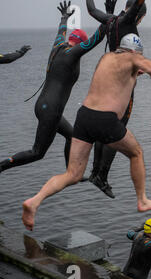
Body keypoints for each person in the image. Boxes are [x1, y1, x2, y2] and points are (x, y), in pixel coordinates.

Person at [21, 34, 151, 231]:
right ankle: (143, 200)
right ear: (134, 52)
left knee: (72, 174)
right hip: (105, 120)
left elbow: (117, 79)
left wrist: (134, 73)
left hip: (84, 116)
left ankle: (34, 201)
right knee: (136, 153)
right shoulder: (132, 58)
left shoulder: (107, 58)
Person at [0, 1, 106, 174]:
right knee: (37, 152)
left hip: (43, 105)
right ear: (79, 44)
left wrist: (64, 17)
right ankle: (2, 166)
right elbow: (97, 38)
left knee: (71, 136)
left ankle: (70, 174)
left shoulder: (58, 46)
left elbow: (61, 31)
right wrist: (108, 17)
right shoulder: (73, 54)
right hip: (51, 109)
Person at [86, 0, 147, 198]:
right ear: (138, 15)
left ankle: (95, 172)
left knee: (103, 125)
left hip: (107, 81)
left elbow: (91, 10)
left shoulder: (111, 20)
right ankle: (101, 176)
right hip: (122, 87)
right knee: (116, 129)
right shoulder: (129, 21)